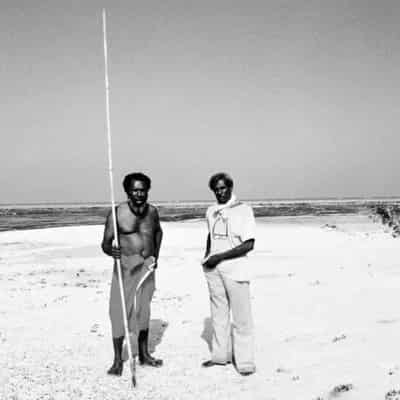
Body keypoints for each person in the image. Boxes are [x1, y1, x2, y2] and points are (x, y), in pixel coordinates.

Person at [102, 172, 163, 376]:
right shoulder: (116, 213)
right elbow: (105, 244)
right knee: (118, 312)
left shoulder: (152, 212)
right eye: (135, 190)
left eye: (143, 189)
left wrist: (156, 256)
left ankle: (144, 355)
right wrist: (112, 251)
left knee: (143, 311)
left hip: (147, 266)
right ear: (127, 191)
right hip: (125, 267)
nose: (139, 193)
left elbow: (158, 233)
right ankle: (118, 360)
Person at [202, 172, 256, 376]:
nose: (219, 192)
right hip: (214, 270)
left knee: (242, 318)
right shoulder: (211, 211)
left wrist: (221, 257)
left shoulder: (244, 210)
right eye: (216, 189)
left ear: (231, 187)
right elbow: (210, 234)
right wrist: (207, 256)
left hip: (236, 269)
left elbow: (249, 244)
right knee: (219, 315)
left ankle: (245, 362)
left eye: (223, 188)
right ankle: (220, 356)